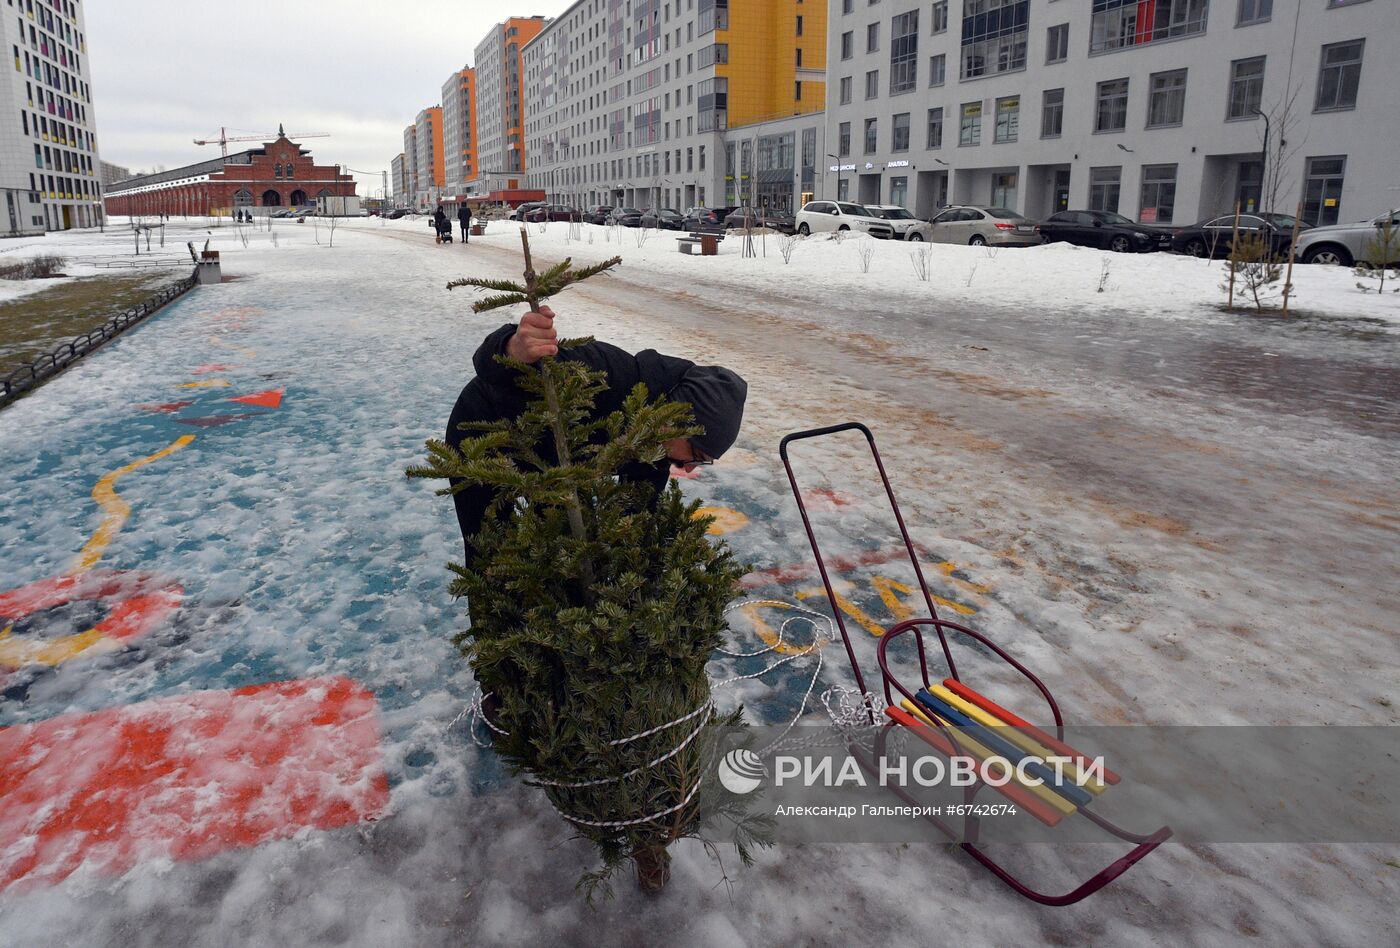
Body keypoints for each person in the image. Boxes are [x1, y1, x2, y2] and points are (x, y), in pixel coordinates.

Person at [445, 306, 747, 564]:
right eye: (696, 455)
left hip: (553, 466)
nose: (690, 467)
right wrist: (513, 348)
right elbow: (494, 365)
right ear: (679, 419)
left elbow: (635, 516)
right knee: (491, 555)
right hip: (481, 438)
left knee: (559, 551)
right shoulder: (605, 371)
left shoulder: (654, 445)